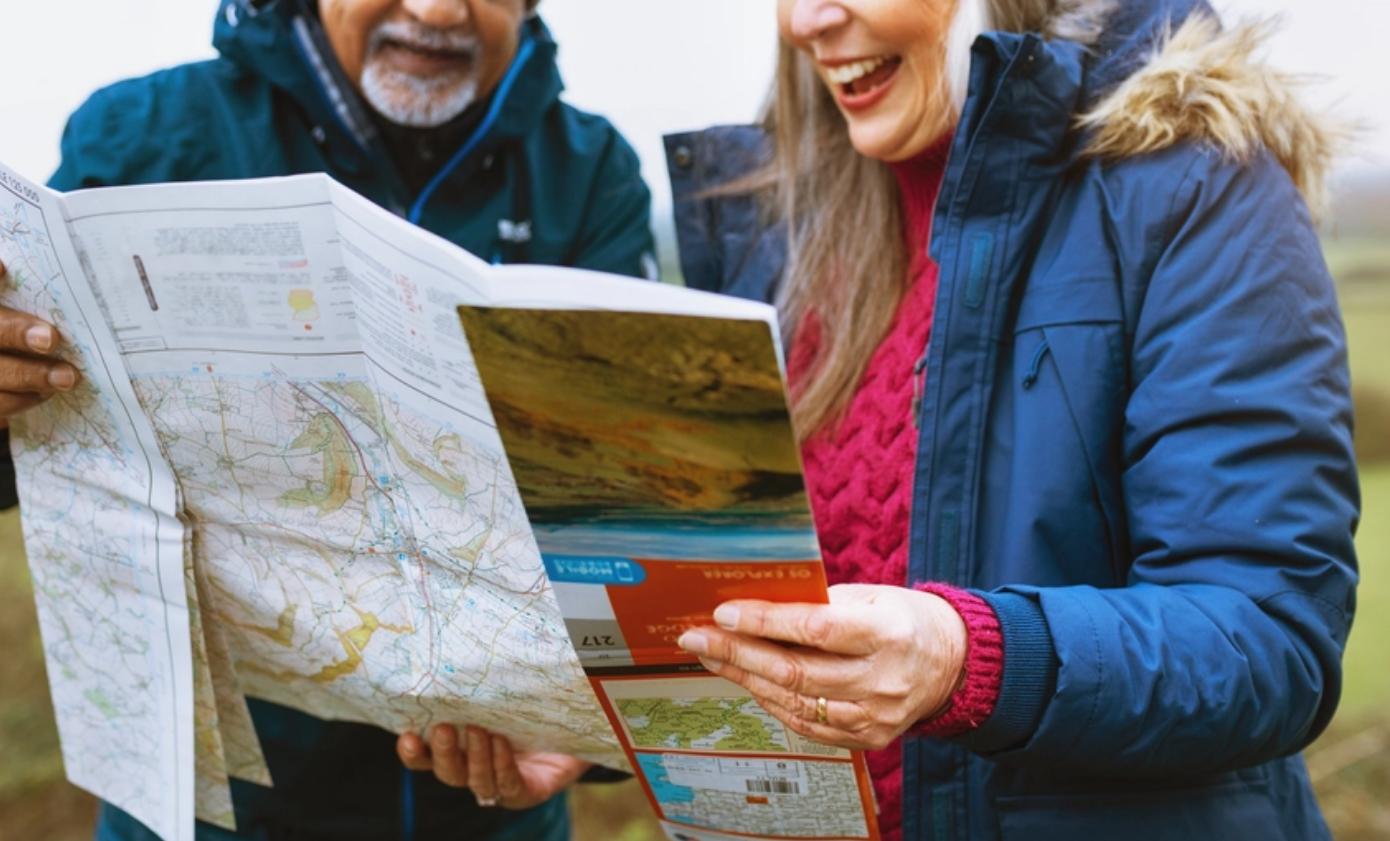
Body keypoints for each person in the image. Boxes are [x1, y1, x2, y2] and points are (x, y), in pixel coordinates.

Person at [668, 0, 1358, 838]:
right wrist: (576, 725)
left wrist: (970, 659)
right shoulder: (778, 225)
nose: (805, 20)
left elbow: (1267, 639)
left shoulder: (1196, 183)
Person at [0, 0, 653, 838]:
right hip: (213, 813)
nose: (437, 11)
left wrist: (585, 744)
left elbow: (631, 521)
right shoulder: (144, 138)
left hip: (488, 815)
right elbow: (52, 448)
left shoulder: (591, 172)